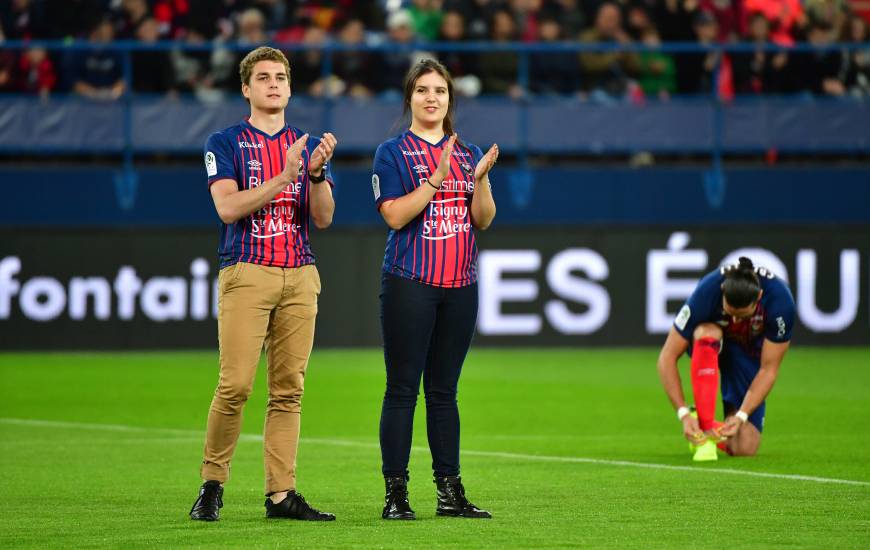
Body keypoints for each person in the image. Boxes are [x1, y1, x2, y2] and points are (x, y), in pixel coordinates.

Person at [188, 46, 337, 522]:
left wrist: (314, 173)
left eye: (281, 77)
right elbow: (227, 208)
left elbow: (324, 217)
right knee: (234, 385)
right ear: (246, 89)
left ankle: (281, 494)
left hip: (300, 273)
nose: (274, 84)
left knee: (288, 390)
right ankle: (212, 484)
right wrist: (285, 175)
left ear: (290, 88)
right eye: (263, 77)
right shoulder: (225, 141)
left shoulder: (305, 145)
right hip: (247, 270)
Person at [372, 59, 498, 520]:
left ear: (450, 99)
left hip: (461, 284)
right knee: (403, 388)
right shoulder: (392, 152)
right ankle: (396, 495)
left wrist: (479, 180)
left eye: (440, 91)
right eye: (423, 90)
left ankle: (450, 493)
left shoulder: (467, 152)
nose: (432, 98)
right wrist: (434, 181)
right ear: (409, 98)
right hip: (410, 282)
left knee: (444, 391)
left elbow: (482, 219)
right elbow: (393, 215)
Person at [657, 257, 795, 462]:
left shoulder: (780, 303)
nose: (736, 321)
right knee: (708, 331)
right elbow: (667, 357)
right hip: (711, 343)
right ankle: (701, 425)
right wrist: (683, 413)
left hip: (747, 352)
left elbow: (768, 370)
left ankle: (709, 426)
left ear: (759, 296)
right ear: (723, 290)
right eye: (730, 313)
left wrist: (741, 416)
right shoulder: (707, 291)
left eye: (743, 316)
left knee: (745, 447)